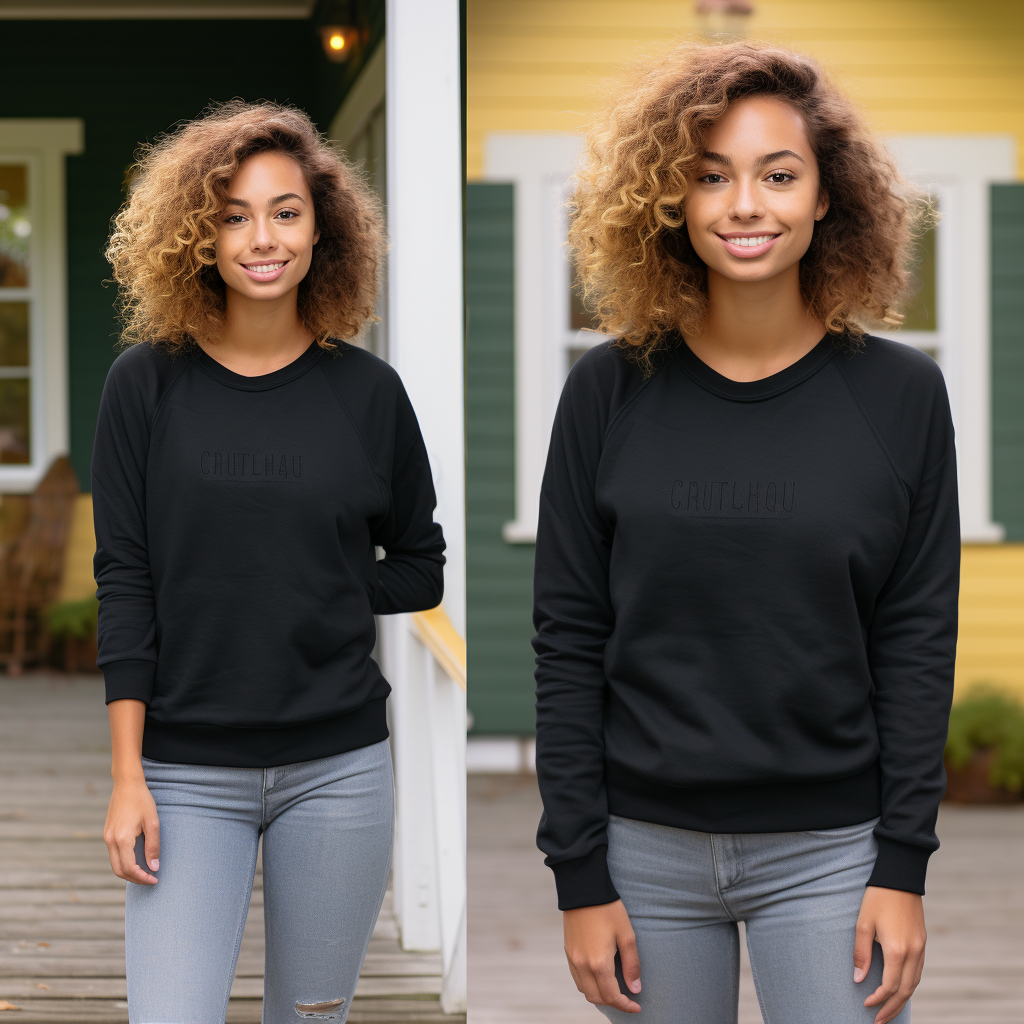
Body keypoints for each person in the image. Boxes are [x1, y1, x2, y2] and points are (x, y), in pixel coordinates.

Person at [533, 42, 959, 1024]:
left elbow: (914, 637)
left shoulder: (900, 397)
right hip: (642, 853)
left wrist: (902, 864)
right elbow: (567, 638)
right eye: (710, 176)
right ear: (671, 200)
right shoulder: (606, 391)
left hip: (832, 852)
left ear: (825, 197)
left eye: (778, 175)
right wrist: (579, 876)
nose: (745, 205)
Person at [94, 100, 445, 1022]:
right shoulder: (145, 384)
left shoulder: (369, 393)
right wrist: (127, 777)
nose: (263, 238)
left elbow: (422, 563)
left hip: (337, 768)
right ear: (197, 234)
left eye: (286, 212)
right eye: (235, 214)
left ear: (321, 228)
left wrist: (317, 578)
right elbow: (125, 581)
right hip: (180, 769)